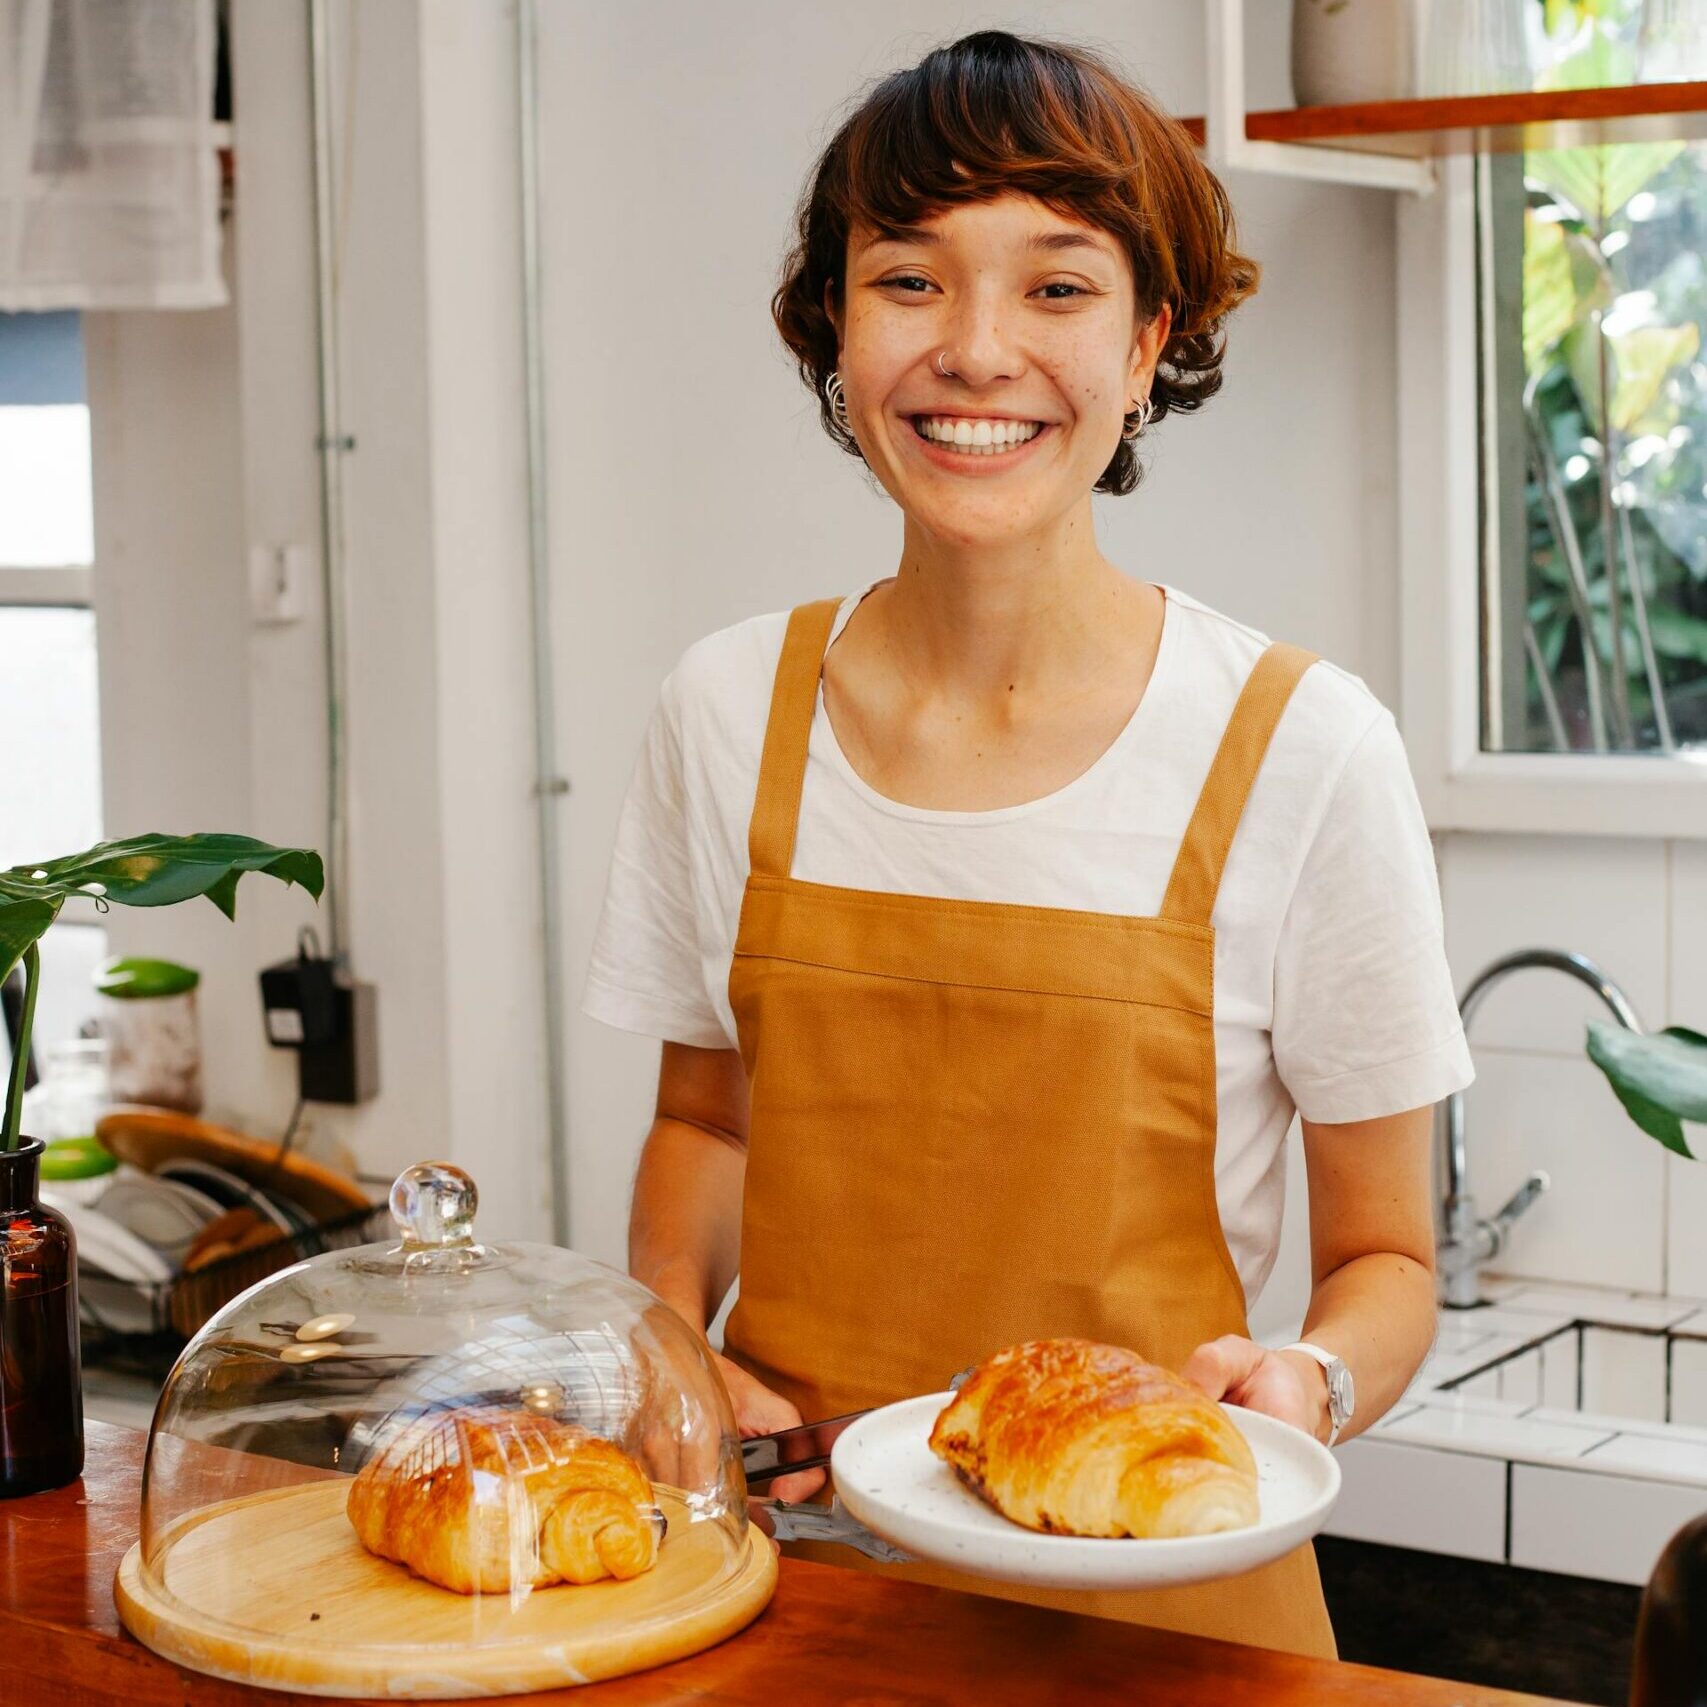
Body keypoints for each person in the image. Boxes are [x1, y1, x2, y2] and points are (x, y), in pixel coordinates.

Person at [583, 29, 1472, 1659]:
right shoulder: (725, 712)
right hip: (798, 1594)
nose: (976, 350)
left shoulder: (1301, 748)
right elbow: (704, 1127)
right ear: (832, 335)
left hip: (1175, 1617)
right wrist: (667, 1343)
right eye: (908, 281)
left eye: (1057, 288)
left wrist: (1309, 1381)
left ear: (1153, 342)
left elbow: (1387, 1255)